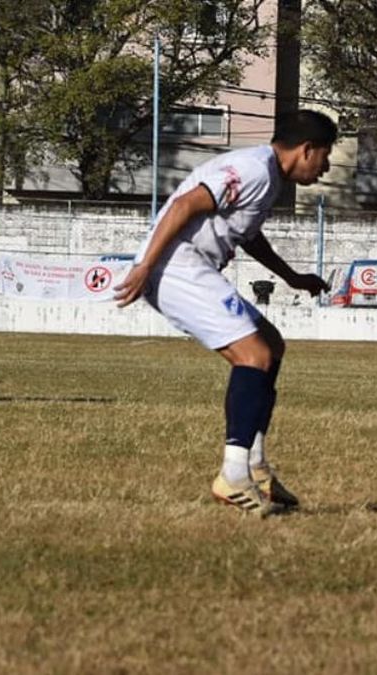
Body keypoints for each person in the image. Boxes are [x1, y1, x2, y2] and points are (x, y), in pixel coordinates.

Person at [114, 109, 337, 517]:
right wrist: (145, 264)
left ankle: (254, 465)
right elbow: (185, 204)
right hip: (177, 265)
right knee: (255, 355)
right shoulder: (252, 169)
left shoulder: (267, 177)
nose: (325, 168)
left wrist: (292, 277)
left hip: (186, 266)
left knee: (270, 344)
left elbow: (249, 238)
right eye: (326, 156)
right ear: (307, 150)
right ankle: (233, 474)